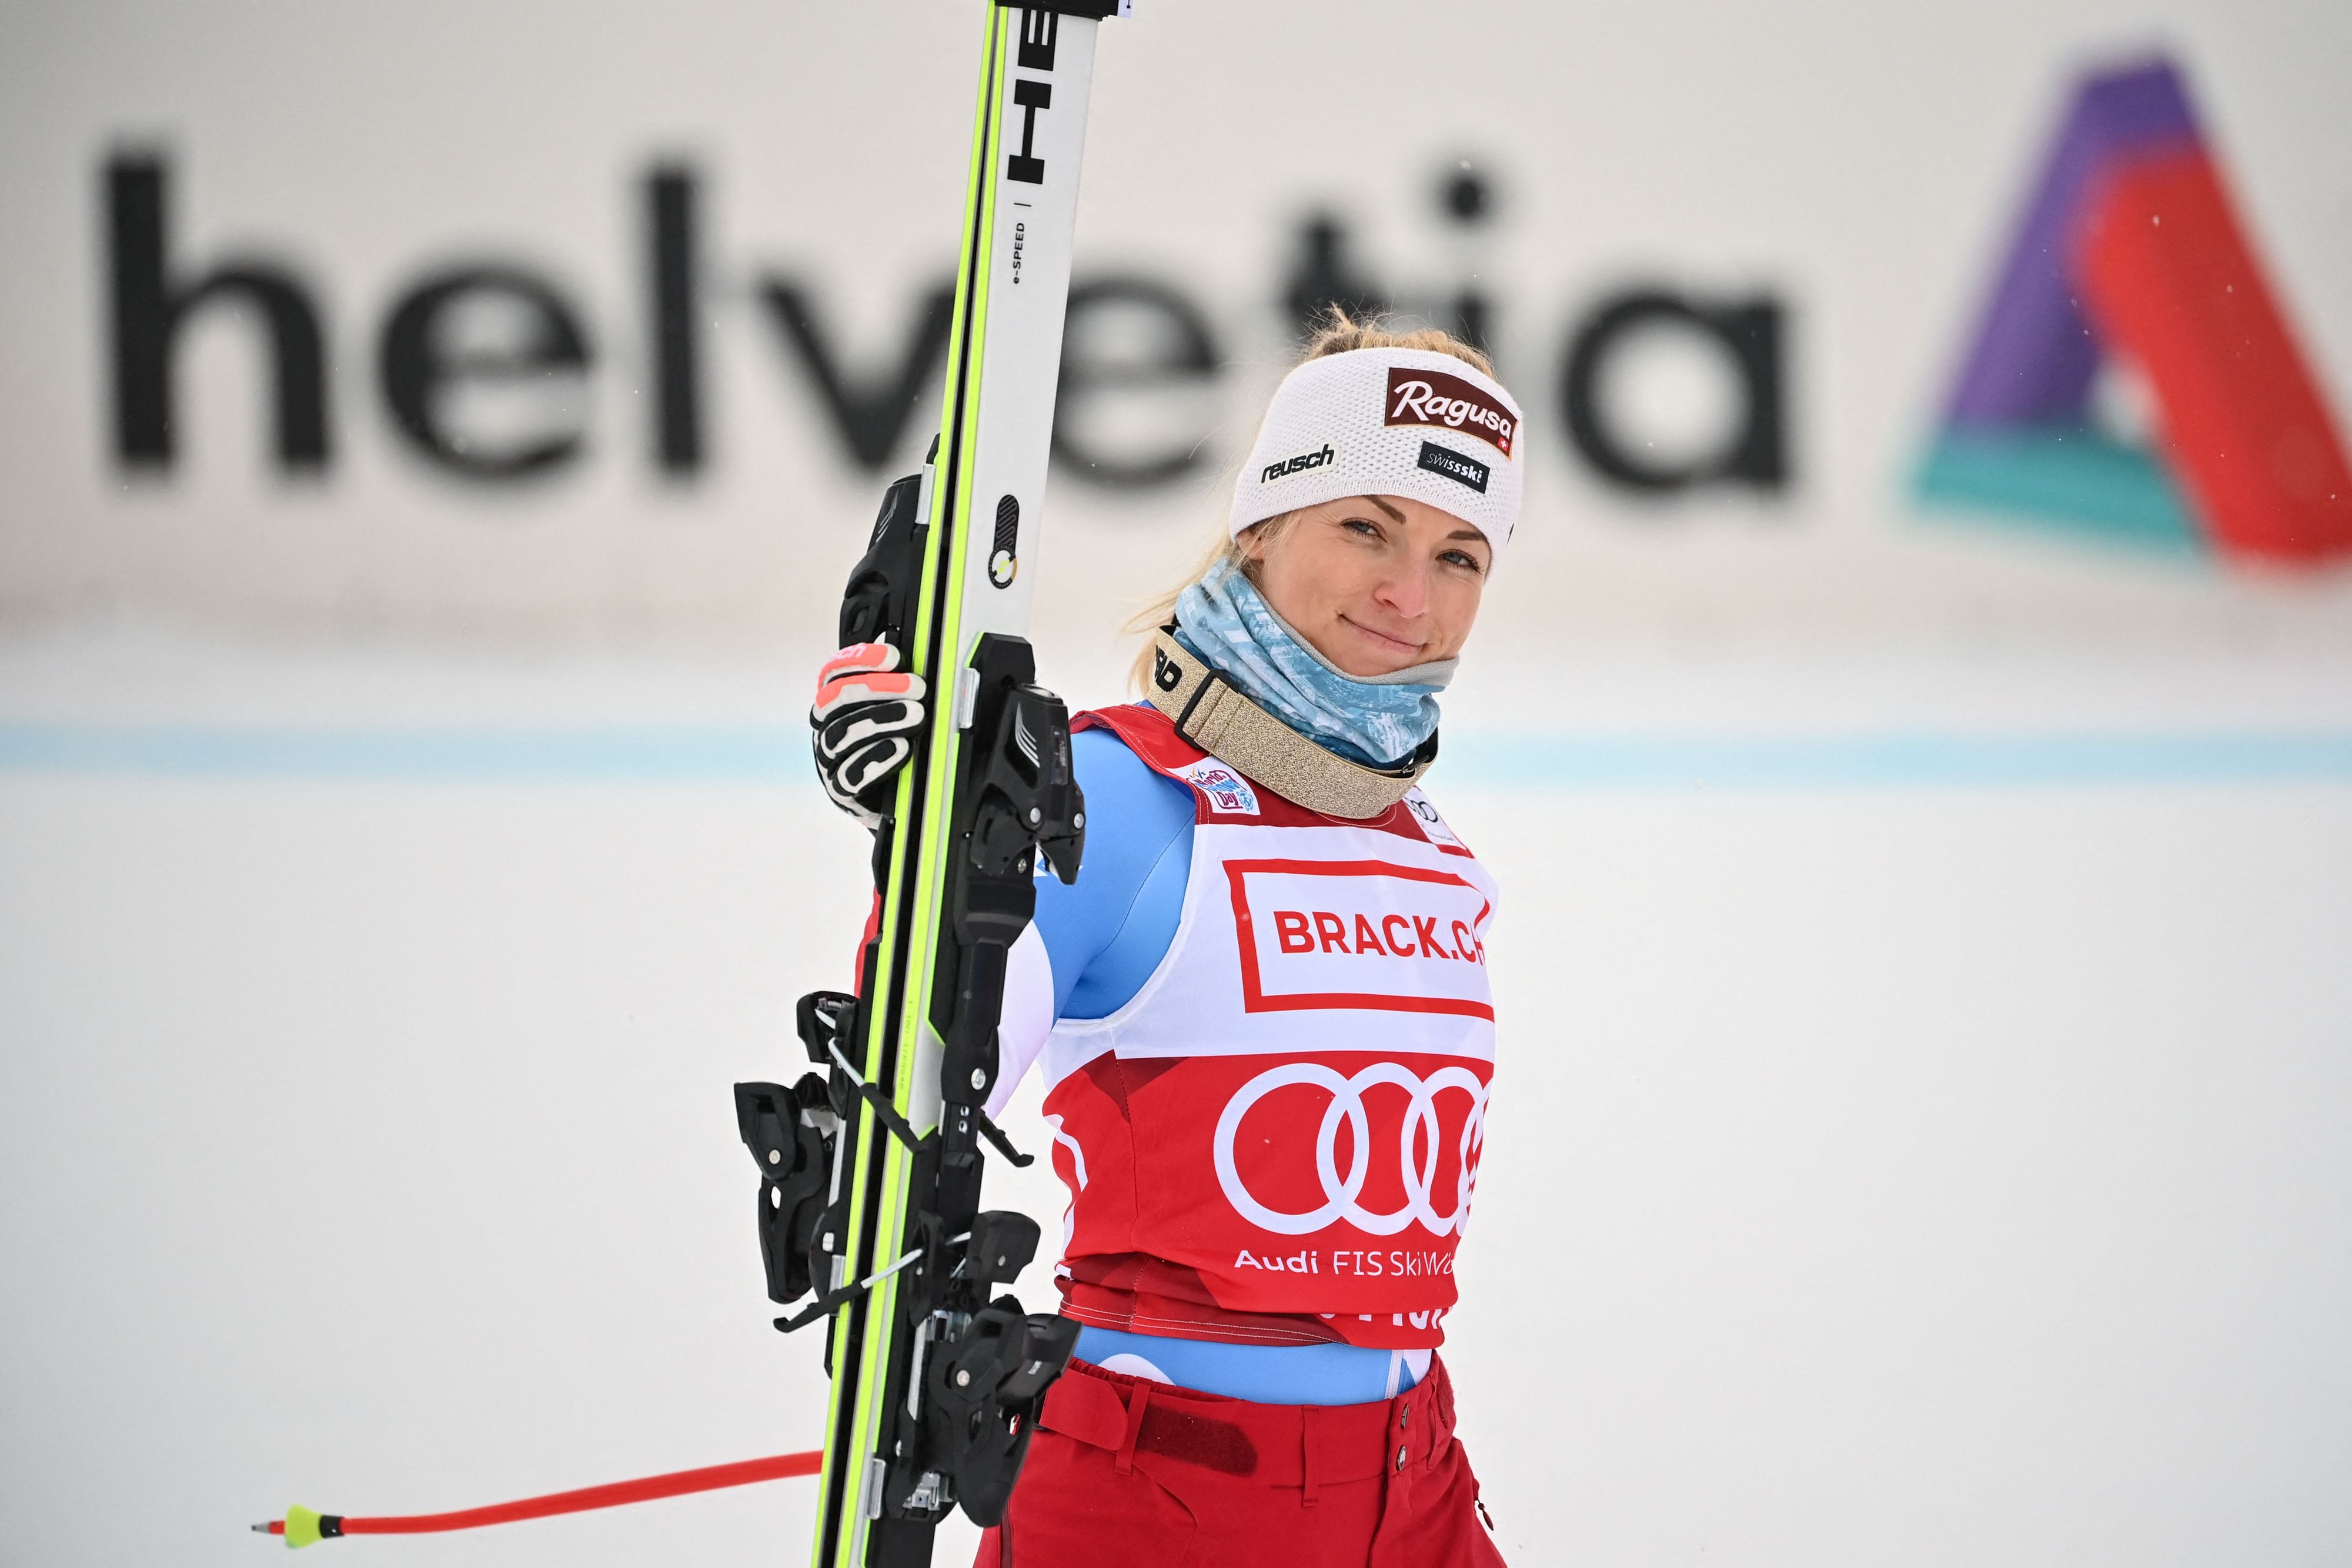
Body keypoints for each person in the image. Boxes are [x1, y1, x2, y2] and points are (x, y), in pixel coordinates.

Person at [810, 313, 1521, 1567]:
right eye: (1365, 527)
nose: (1411, 597)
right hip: (1157, 1490)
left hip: (1414, 1484)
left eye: (1459, 554)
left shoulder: (1431, 847)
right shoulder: (1111, 799)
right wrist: (919, 854)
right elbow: (907, 1084)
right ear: (1262, 523)